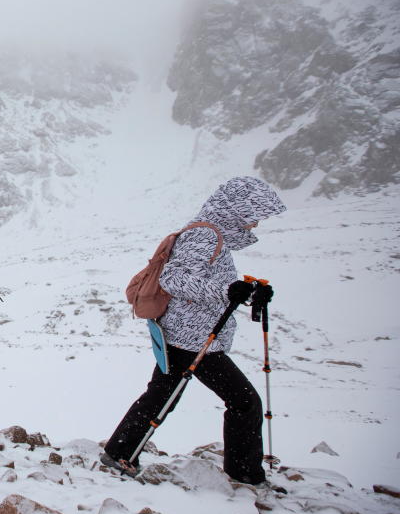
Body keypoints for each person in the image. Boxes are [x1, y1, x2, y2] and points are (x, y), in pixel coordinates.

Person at [101, 176, 287, 489]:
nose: (255, 224)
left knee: (161, 396)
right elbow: (174, 280)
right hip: (194, 339)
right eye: (252, 215)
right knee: (244, 402)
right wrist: (230, 290)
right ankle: (244, 475)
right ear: (236, 209)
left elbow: (204, 281)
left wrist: (249, 292)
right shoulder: (204, 235)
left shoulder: (208, 233)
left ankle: (120, 452)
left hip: (183, 335)